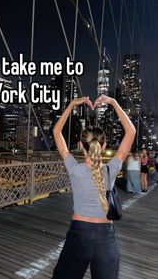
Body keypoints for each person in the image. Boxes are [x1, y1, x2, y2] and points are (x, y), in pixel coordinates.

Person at [52, 95, 136, 279]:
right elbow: (131, 132)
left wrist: (72, 104)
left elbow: (57, 132)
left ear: (81, 146)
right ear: (104, 145)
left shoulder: (74, 169)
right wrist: (113, 102)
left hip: (78, 235)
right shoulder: (110, 170)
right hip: (105, 237)